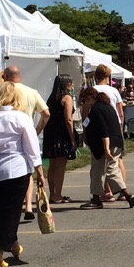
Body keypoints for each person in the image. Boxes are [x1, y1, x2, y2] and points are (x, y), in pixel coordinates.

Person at [0, 81, 45, 267]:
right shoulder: (21, 118)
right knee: (12, 212)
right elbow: (31, 146)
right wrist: (38, 169)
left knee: (2, 210)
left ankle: (13, 244)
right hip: (16, 169)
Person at [1, 64, 49, 220]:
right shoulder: (31, 92)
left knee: (8, 169)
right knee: (28, 170)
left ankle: (12, 203)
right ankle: (28, 205)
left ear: (6, 76)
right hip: (27, 133)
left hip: (8, 134)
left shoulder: (3, 91)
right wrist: (36, 132)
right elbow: (46, 113)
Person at [78, 88, 134, 208]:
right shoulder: (107, 106)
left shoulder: (96, 110)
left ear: (89, 98)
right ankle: (127, 195)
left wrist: (106, 149)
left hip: (105, 145)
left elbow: (103, 130)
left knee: (97, 171)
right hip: (117, 142)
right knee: (112, 170)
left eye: (84, 101)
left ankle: (96, 200)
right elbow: (89, 123)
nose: (84, 104)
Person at [42, 75, 78, 203]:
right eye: (71, 83)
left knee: (52, 165)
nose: (72, 86)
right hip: (62, 134)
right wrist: (72, 137)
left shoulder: (51, 99)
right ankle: (58, 194)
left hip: (51, 133)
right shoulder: (66, 98)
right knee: (60, 166)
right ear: (67, 84)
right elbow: (68, 119)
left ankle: (52, 193)